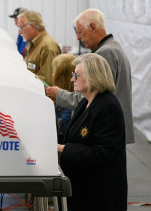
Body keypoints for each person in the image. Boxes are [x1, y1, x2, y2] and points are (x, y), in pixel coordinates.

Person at [58, 53, 127, 211]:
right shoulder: (85, 103)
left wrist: (64, 149)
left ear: (94, 76)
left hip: (101, 198)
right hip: (87, 195)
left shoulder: (108, 107)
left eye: (77, 75)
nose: (72, 79)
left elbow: (102, 154)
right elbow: (73, 136)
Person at [45, 8, 134, 144]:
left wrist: (59, 95)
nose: (78, 37)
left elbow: (89, 96)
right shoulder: (114, 47)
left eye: (80, 32)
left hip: (105, 128)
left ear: (93, 26)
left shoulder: (104, 54)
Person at [49, 53, 80, 211]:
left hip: (65, 157)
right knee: (63, 201)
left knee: (66, 201)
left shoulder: (66, 109)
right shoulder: (66, 105)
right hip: (65, 156)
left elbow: (61, 132)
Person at [18, 10, 61, 86]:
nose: (20, 32)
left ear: (32, 26)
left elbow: (47, 82)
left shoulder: (48, 47)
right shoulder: (32, 44)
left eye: (21, 28)